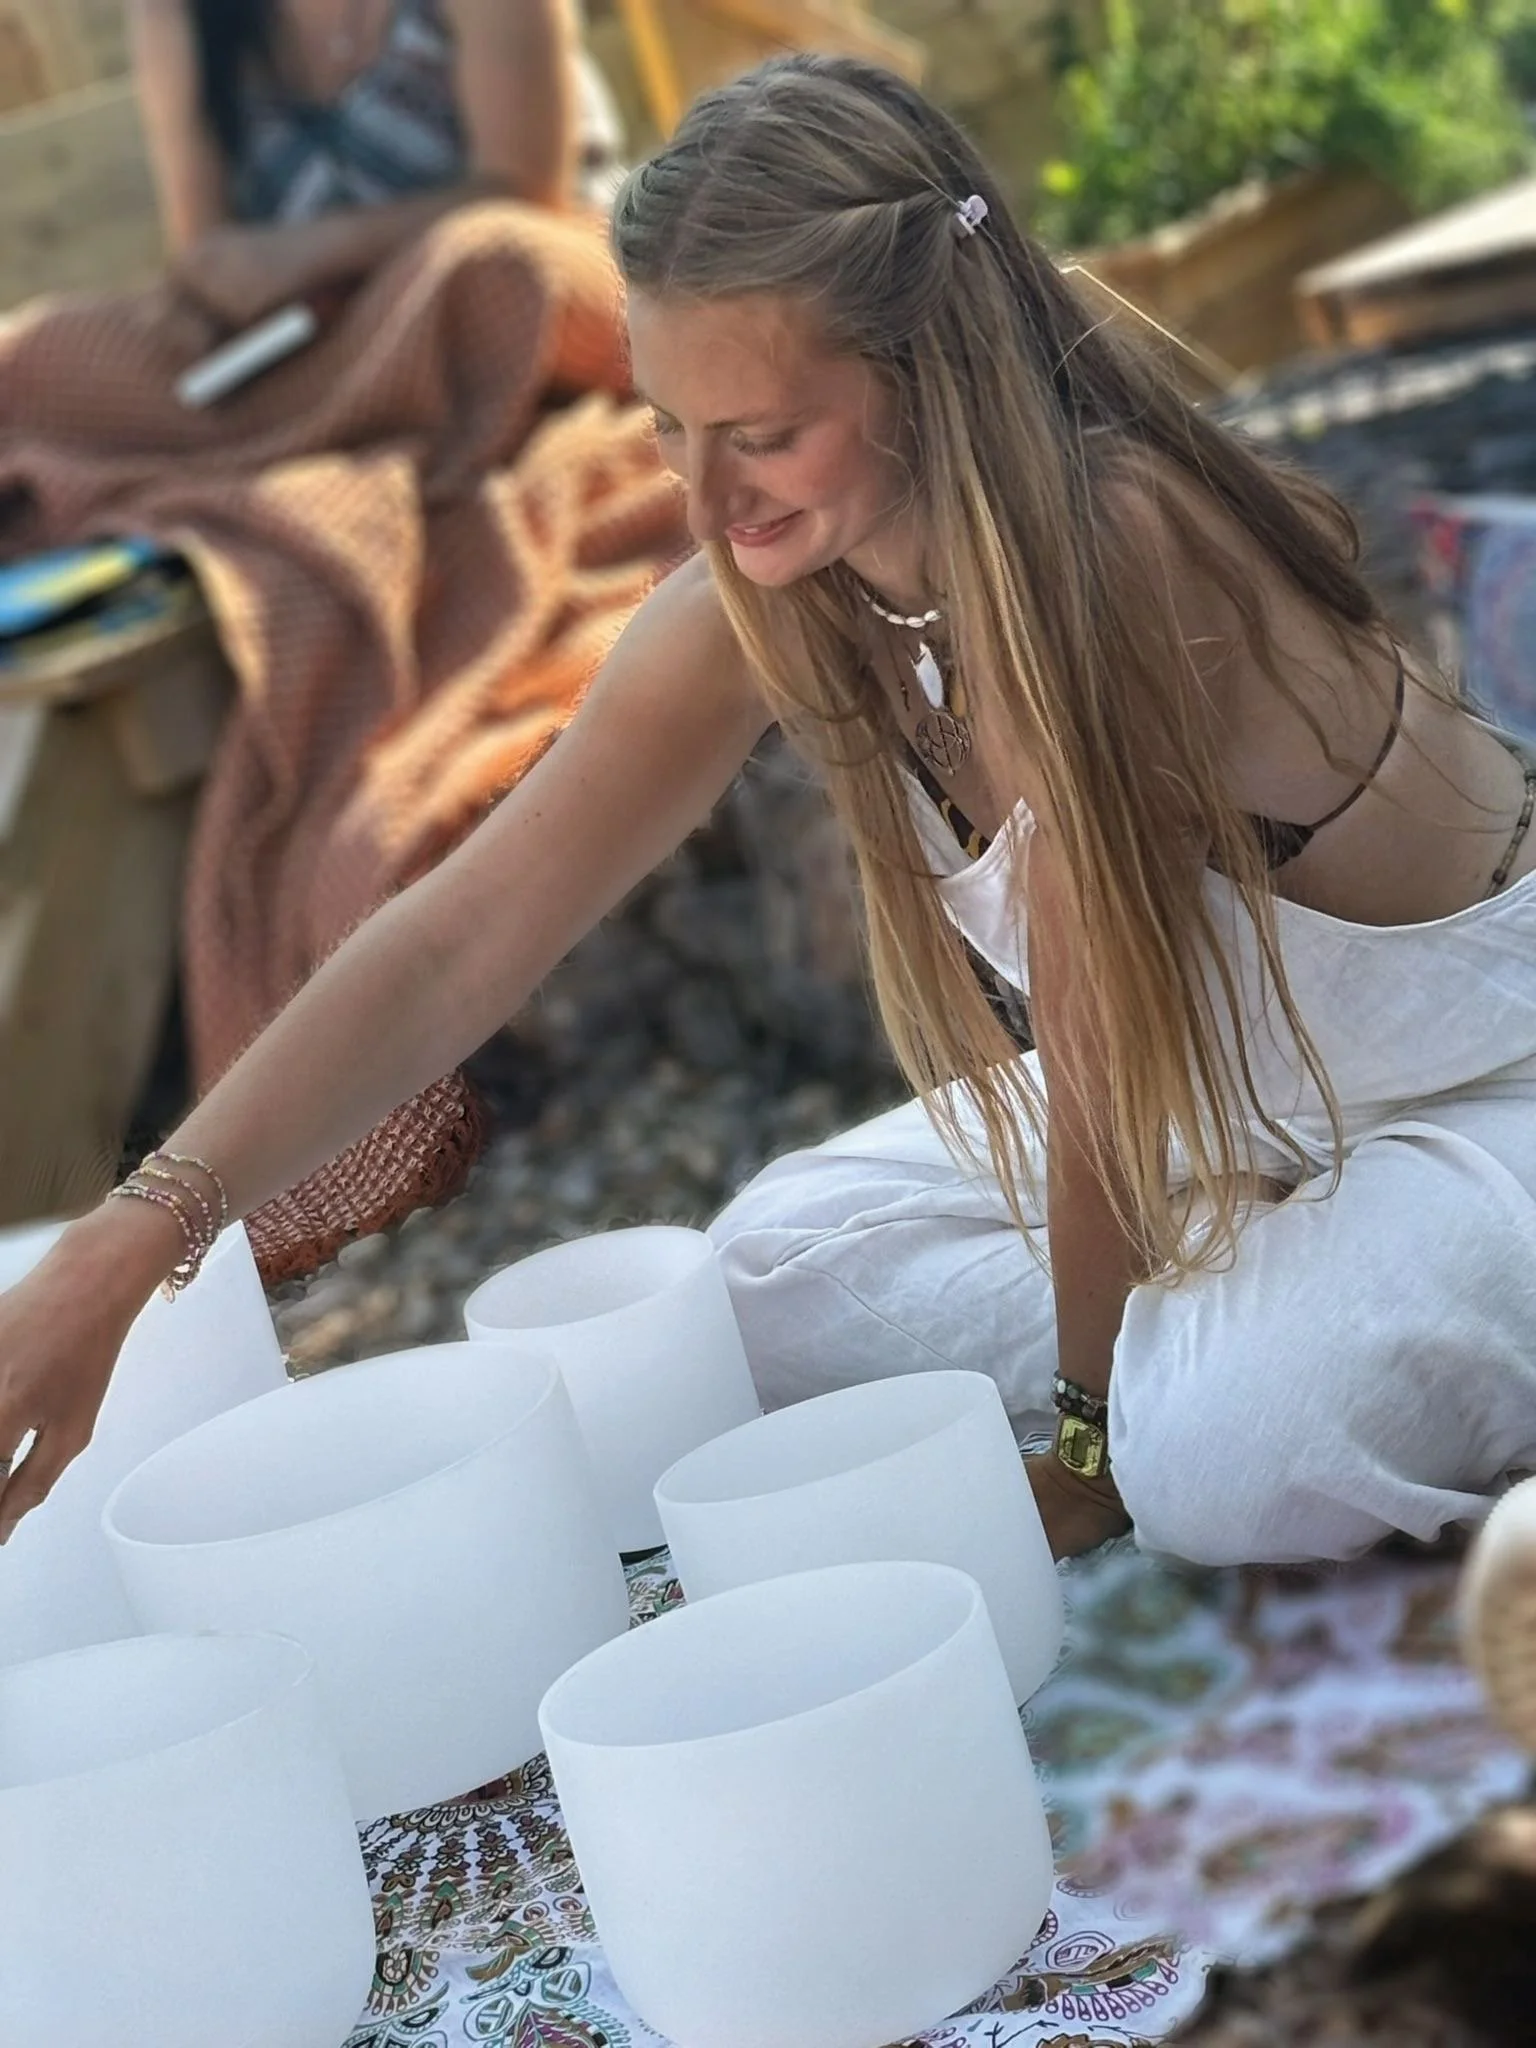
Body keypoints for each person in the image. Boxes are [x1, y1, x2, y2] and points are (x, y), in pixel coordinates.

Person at [4, 56, 1536, 1579]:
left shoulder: (1113, 548)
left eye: (761, 432)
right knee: (756, 1285)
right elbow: (455, 943)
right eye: (669, 424)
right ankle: (1267, 1308)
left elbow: (1104, 1055)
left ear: (926, 370)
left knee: (1215, 1464)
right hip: (1241, 1124)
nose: (703, 494)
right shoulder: (779, 595)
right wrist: (131, 1243)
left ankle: (1242, 1352)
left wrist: (1085, 1443)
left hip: (1479, 1090)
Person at [128, 0, 622, 343]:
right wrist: (198, 311)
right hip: (322, 338)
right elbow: (206, 259)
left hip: (530, 302)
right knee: (61, 347)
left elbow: (528, 195)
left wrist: (312, 253)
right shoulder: (177, 15)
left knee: (491, 263)